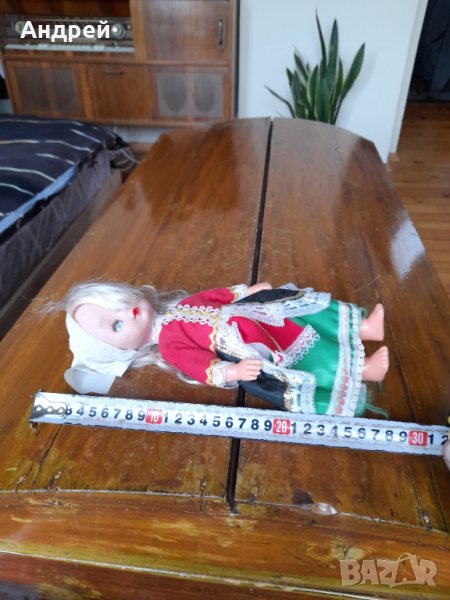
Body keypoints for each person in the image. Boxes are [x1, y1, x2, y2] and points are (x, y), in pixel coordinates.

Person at [53, 280, 389, 417]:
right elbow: (199, 365)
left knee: (304, 318)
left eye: (123, 303)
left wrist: (245, 292)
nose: (130, 313)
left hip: (257, 314)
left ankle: (364, 328)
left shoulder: (182, 305)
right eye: (117, 325)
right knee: (299, 356)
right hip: (248, 343)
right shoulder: (170, 346)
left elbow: (214, 296)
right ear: (122, 350)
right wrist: (231, 371)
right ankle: (364, 369)